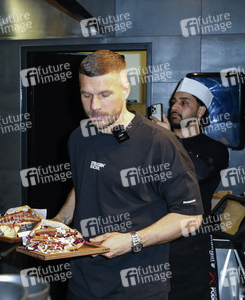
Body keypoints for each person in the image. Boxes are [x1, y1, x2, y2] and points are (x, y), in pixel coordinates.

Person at [62, 50, 203, 299]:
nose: (94, 106)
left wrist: (131, 241)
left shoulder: (160, 142)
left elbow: (190, 217)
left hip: (139, 289)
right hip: (82, 284)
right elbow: (83, 185)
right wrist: (58, 223)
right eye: (86, 95)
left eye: (105, 95)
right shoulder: (78, 138)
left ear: (126, 89)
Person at [150, 77, 229, 300]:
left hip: (190, 246)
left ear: (201, 110)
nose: (174, 107)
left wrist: (169, 139)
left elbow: (198, 173)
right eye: (174, 101)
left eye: (184, 102)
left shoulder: (215, 149)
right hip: (153, 239)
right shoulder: (157, 143)